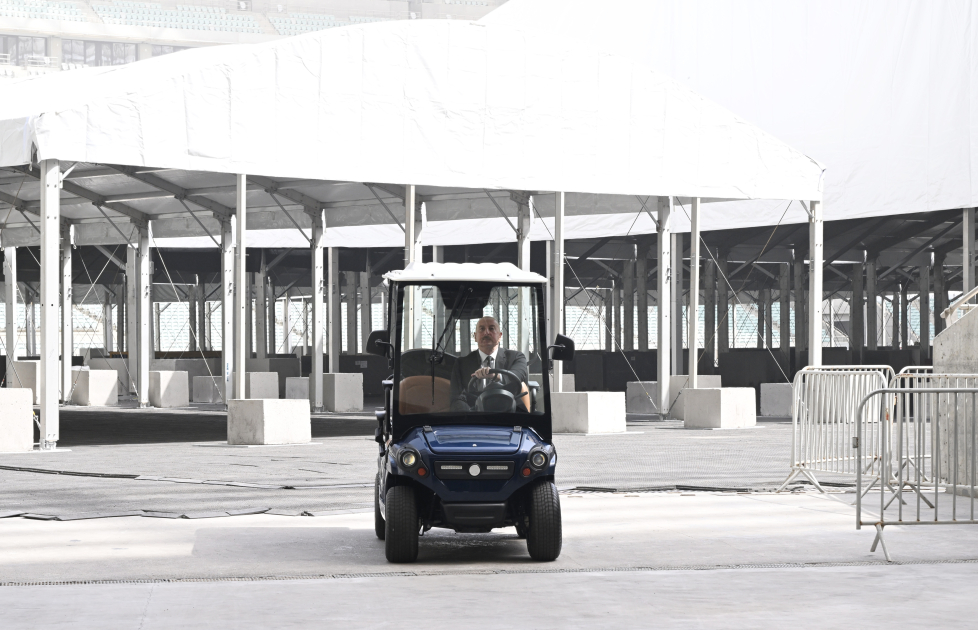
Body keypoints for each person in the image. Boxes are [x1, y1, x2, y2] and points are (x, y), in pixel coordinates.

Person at [450, 316, 528, 411]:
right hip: (475, 415)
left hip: (510, 413)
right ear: (475, 336)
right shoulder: (461, 364)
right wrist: (470, 419)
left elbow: (518, 375)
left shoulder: (516, 357)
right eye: (482, 329)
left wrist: (495, 375)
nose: (486, 332)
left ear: (500, 336)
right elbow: (457, 398)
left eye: (491, 328)